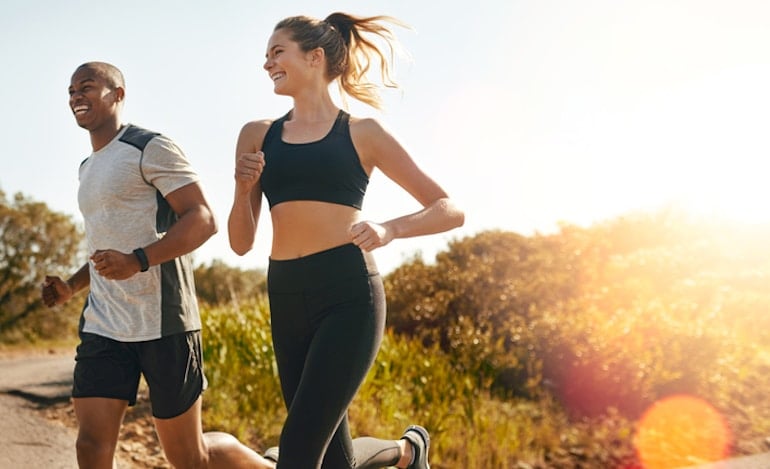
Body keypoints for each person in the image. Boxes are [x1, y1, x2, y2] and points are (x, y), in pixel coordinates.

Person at [228, 12, 465, 469]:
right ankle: (407, 452)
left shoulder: (363, 133)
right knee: (334, 461)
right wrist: (242, 190)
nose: (267, 63)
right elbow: (240, 243)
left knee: (297, 451)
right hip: (286, 292)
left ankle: (405, 452)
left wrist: (390, 229)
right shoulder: (257, 135)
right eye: (266, 55)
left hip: (348, 294)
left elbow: (449, 209)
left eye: (277, 52)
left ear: (314, 57)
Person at [41, 61, 275, 469]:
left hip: (164, 322)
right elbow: (104, 248)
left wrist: (138, 261)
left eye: (87, 87)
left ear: (118, 94)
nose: (76, 96)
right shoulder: (87, 168)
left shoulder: (150, 147)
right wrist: (71, 287)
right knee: (91, 446)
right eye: (71, 91)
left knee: (190, 458)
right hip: (104, 324)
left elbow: (203, 219)